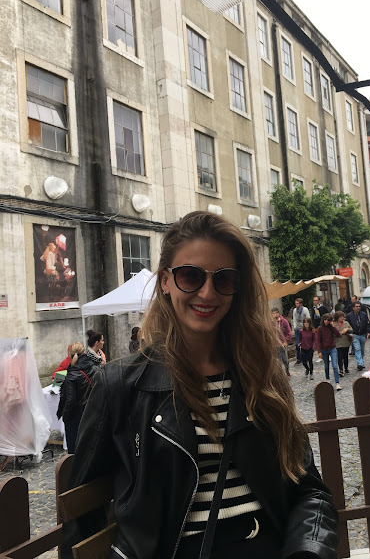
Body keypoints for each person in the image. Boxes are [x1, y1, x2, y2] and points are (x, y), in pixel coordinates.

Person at [63, 211, 339, 559]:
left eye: (224, 279)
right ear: (166, 281)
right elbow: (81, 517)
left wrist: (306, 552)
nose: (207, 293)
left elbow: (310, 490)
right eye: (191, 276)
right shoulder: (119, 385)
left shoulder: (260, 374)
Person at [56, 342, 99, 454]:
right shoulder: (95, 368)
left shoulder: (72, 374)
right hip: (93, 411)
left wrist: (65, 416)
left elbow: (70, 399)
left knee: (75, 448)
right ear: (84, 352)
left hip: (76, 416)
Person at [316, 314, 341, 391]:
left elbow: (338, 334)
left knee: (335, 366)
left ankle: (337, 382)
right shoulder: (320, 329)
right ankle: (327, 379)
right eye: (325, 319)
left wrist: (333, 326)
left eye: (328, 320)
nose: (326, 321)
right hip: (324, 349)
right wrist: (319, 351)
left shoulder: (331, 328)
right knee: (326, 366)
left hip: (332, 348)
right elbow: (318, 341)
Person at [346, 302, 370, 371]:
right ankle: (360, 363)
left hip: (362, 334)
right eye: (356, 306)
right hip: (355, 334)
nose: (358, 308)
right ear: (353, 308)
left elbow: (367, 323)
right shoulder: (349, 315)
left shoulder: (363, 314)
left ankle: (361, 361)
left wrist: (368, 331)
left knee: (362, 349)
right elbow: (348, 324)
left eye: (359, 306)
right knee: (357, 349)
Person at [272, 308, 292, 377]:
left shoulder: (284, 321)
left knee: (284, 360)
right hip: (274, 344)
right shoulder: (271, 323)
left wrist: (285, 341)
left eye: (275, 313)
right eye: (273, 313)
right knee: (277, 360)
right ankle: (280, 375)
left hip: (282, 344)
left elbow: (289, 333)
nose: (274, 315)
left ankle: (287, 371)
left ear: (278, 313)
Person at [333, 311, 353, 376]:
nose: (342, 318)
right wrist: (341, 333)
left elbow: (351, 329)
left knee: (345, 356)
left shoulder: (346, 323)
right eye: (341, 317)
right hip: (338, 342)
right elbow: (332, 333)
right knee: (339, 356)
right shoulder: (334, 324)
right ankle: (341, 369)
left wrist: (347, 330)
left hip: (345, 342)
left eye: (343, 316)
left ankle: (346, 368)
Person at [292, 298, 310, 365]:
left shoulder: (305, 310)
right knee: (297, 344)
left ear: (301, 304)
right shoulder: (294, 310)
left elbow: (308, 318)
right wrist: (295, 327)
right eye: (295, 303)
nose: (296, 305)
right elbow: (294, 319)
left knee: (305, 343)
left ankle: (306, 357)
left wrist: (307, 327)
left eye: (297, 303)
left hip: (304, 328)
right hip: (297, 329)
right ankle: (298, 359)